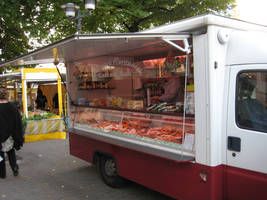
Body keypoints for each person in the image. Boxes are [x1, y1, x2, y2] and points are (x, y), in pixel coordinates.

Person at [0, 88, 24, 178]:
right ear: (6, 95)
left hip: (0, 135)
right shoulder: (12, 107)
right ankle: (14, 167)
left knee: (0, 154)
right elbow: (18, 121)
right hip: (10, 135)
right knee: (11, 153)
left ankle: (2, 173)